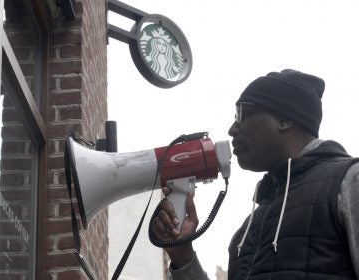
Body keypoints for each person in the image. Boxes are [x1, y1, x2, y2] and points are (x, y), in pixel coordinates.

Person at [150, 69, 359, 279]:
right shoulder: (247, 231)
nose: (232, 129)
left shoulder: (349, 182)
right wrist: (182, 254)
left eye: (242, 114)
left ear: (285, 120)